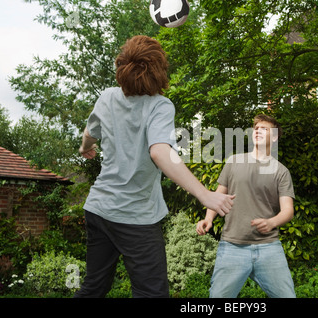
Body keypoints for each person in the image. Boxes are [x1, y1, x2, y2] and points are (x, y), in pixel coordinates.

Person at [75, 35, 234, 298]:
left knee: (94, 287)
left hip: (99, 209)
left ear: (122, 67)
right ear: (158, 71)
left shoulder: (107, 97)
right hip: (135, 216)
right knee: (152, 294)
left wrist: (84, 148)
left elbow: (90, 133)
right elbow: (160, 152)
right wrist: (205, 195)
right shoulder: (160, 105)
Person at [196, 114, 296, 298]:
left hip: (268, 248)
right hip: (232, 247)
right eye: (256, 128)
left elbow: (288, 210)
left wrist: (272, 222)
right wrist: (208, 218)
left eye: (264, 128)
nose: (257, 131)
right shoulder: (234, 161)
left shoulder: (281, 171)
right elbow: (219, 195)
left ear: (274, 137)